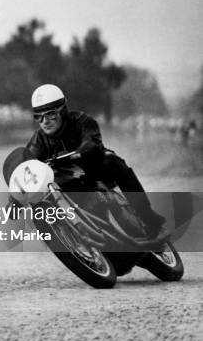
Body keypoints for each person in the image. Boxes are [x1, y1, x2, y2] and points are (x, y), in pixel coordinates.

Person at [26, 84, 168, 240]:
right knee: (42, 200)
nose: (45, 121)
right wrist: (15, 198)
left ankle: (147, 216)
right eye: (38, 116)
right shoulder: (38, 140)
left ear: (63, 110)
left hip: (95, 170)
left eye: (50, 114)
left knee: (113, 162)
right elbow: (26, 167)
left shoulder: (82, 121)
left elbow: (91, 142)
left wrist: (79, 153)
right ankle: (71, 238)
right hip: (68, 183)